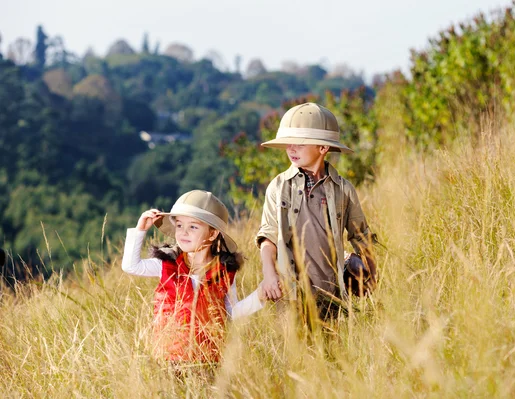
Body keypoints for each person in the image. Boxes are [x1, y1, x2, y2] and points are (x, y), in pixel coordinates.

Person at [256, 102, 377, 320]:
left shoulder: (344, 190)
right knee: (296, 352)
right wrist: (269, 273)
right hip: (291, 296)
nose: (291, 149)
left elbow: (361, 236)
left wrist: (371, 277)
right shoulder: (278, 187)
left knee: (333, 352)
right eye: (287, 143)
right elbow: (268, 236)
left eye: (299, 143)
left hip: (333, 295)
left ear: (323, 148)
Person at [122, 190, 264, 363]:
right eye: (179, 225)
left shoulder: (224, 273)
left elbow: (230, 312)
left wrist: (259, 297)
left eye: (193, 227)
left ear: (212, 234)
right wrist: (140, 230)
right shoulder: (167, 265)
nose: (183, 232)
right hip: (168, 359)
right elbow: (131, 266)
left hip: (209, 359)